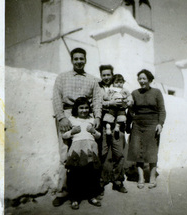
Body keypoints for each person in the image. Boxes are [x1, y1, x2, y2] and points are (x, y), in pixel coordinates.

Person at [52, 47, 102, 206]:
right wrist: (61, 118)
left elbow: (97, 100)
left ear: (85, 60)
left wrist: (97, 117)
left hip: (86, 117)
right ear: (72, 60)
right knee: (65, 156)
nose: (79, 61)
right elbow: (56, 98)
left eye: (82, 58)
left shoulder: (93, 80)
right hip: (67, 117)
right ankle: (63, 192)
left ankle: (88, 192)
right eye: (76, 59)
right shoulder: (62, 77)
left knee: (88, 157)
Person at [127, 69, 166, 189]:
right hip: (138, 125)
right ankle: (141, 178)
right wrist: (128, 125)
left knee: (152, 152)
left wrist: (160, 124)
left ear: (149, 80)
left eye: (144, 78)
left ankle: (152, 177)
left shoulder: (157, 92)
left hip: (152, 125)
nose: (142, 81)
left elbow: (161, 110)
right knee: (138, 151)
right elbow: (131, 111)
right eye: (140, 79)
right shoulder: (134, 93)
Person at [62, 97, 102, 209]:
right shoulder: (72, 119)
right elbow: (64, 135)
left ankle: (91, 196)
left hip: (90, 148)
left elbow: (98, 136)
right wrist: (72, 132)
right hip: (77, 148)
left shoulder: (92, 119)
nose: (84, 110)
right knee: (75, 173)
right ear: (76, 108)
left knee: (91, 173)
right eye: (81, 108)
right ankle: (75, 198)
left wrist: (93, 131)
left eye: (86, 108)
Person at [98, 65, 128, 194]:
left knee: (118, 152)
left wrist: (125, 102)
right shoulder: (98, 87)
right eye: (103, 75)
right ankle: (101, 180)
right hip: (105, 122)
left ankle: (118, 181)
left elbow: (127, 101)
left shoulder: (120, 87)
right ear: (101, 76)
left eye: (108, 75)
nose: (106, 77)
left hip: (118, 123)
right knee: (103, 152)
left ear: (112, 75)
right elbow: (96, 102)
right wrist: (110, 103)